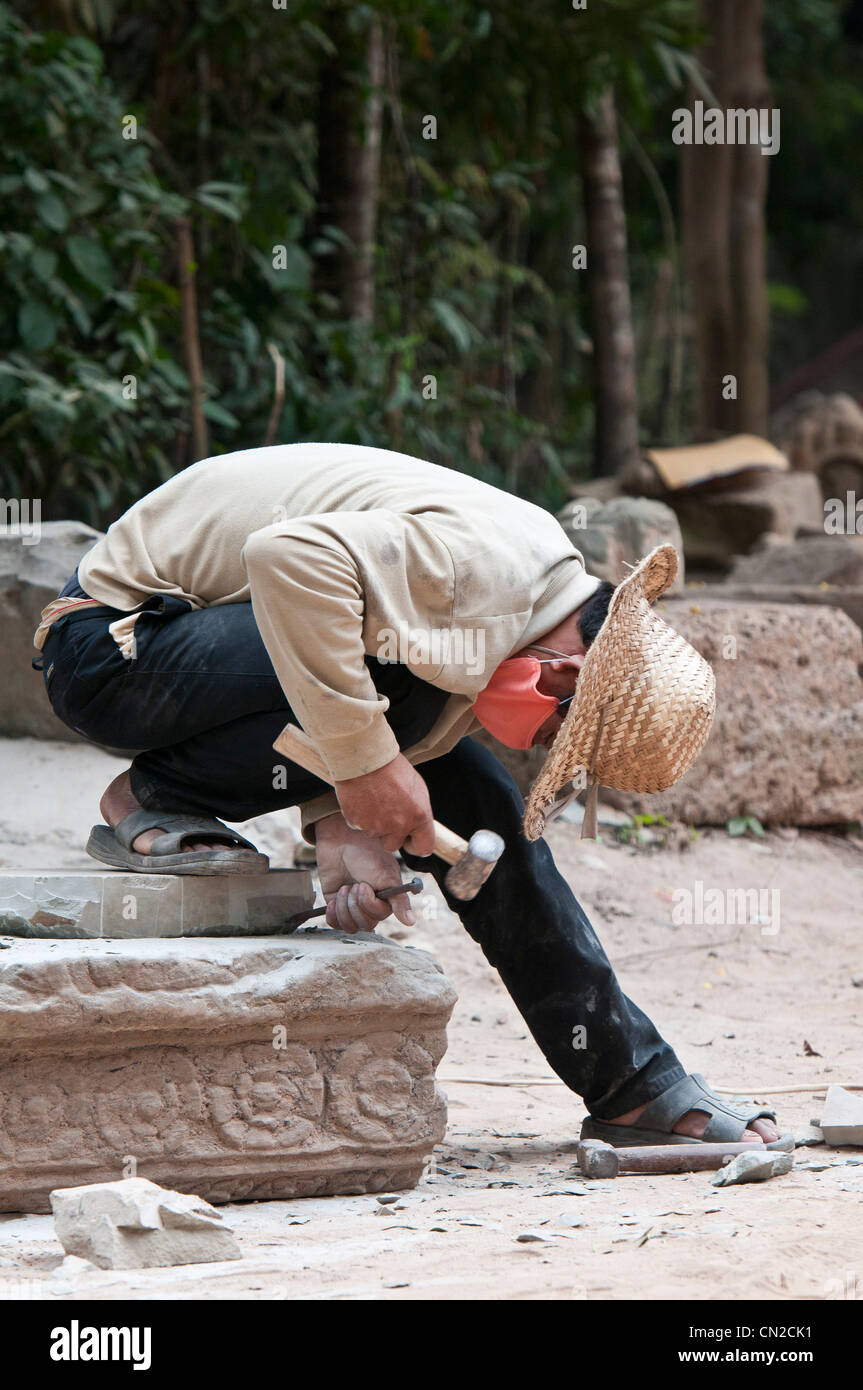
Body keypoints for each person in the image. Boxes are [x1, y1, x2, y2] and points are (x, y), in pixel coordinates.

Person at [35, 443, 783, 1148]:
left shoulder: (509, 619)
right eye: (558, 736)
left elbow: (346, 669)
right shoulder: (483, 577)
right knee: (407, 698)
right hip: (111, 646)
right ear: (561, 676)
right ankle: (149, 793)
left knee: (480, 791)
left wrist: (343, 824)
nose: (537, 748)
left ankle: (632, 1084)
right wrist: (363, 766)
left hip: (206, 642)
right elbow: (286, 559)